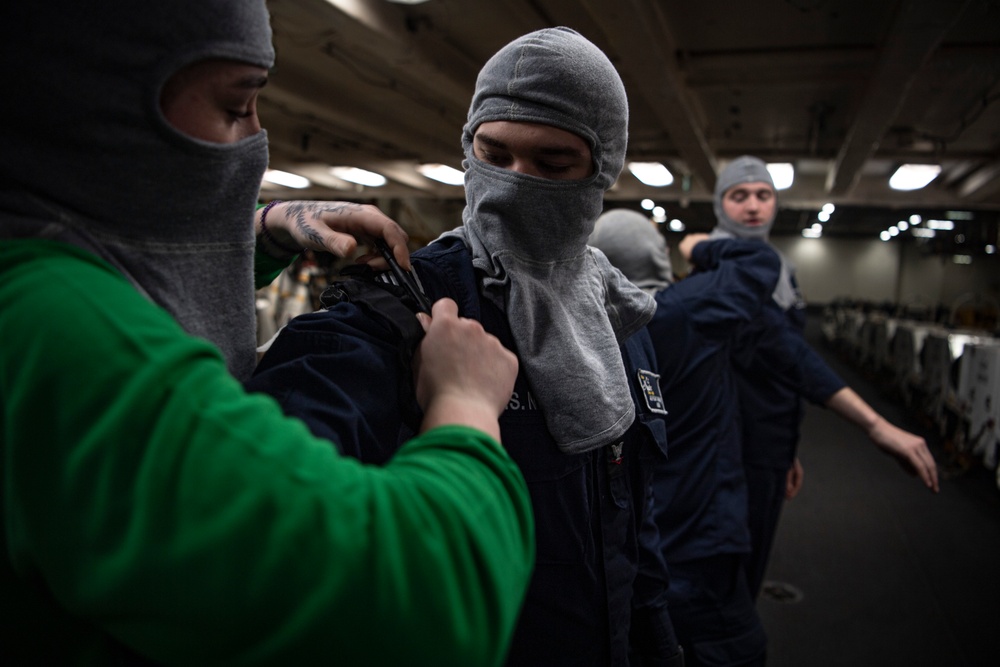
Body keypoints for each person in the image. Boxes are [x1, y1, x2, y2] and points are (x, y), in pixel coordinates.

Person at [0, 2, 535, 665]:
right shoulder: (59, 335)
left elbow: (121, 253)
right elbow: (425, 601)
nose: (258, 133)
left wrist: (255, 229)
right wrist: (466, 405)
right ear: (85, 104)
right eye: (234, 106)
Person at [246, 27, 683, 667]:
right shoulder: (406, 310)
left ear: (602, 172)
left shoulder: (620, 318)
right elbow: (265, 499)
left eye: (552, 165)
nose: (512, 184)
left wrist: (660, 646)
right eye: (493, 153)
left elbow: (632, 526)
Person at [707, 156, 940, 597]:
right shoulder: (727, 272)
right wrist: (876, 423)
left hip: (771, 440)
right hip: (737, 442)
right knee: (732, 579)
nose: (753, 206)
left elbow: (778, 372)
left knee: (750, 567)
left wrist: (788, 449)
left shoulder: (776, 266)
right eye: (739, 196)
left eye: (763, 195)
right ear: (721, 205)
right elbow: (790, 355)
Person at [590, 209, 782, 666]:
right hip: (699, 534)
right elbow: (759, 264)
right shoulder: (685, 310)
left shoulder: (588, 332)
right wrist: (699, 246)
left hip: (633, 539)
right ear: (655, 255)